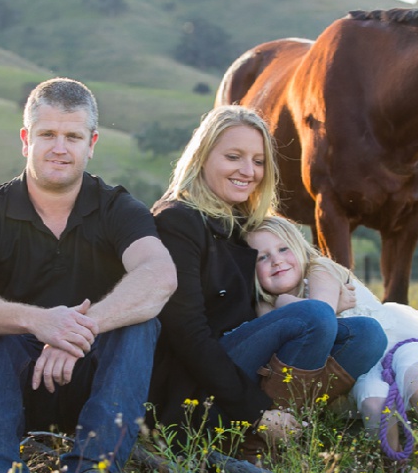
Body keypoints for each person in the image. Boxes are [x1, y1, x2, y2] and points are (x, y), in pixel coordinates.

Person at [0, 78, 176, 473]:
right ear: (26, 139)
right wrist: (40, 323)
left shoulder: (116, 207)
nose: (60, 147)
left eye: (73, 136)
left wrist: (77, 330)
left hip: (98, 385)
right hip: (12, 385)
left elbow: (159, 276)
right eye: (47, 135)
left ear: (91, 143)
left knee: (140, 326)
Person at [149, 106, 387, 445]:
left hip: (250, 365)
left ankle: (287, 426)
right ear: (202, 157)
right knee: (314, 317)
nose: (249, 171)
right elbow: (186, 333)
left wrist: (322, 296)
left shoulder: (240, 217)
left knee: (366, 335)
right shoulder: (178, 222)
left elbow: (309, 257)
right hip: (196, 386)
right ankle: (260, 434)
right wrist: (254, 409)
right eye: (234, 157)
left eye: (258, 162)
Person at [247, 213, 418, 453]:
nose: (277, 261)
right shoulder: (262, 304)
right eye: (263, 257)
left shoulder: (321, 270)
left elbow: (321, 316)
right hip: (358, 368)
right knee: (374, 405)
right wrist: (282, 303)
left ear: (298, 247)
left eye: (284, 249)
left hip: (395, 343)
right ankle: (395, 464)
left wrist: (285, 303)